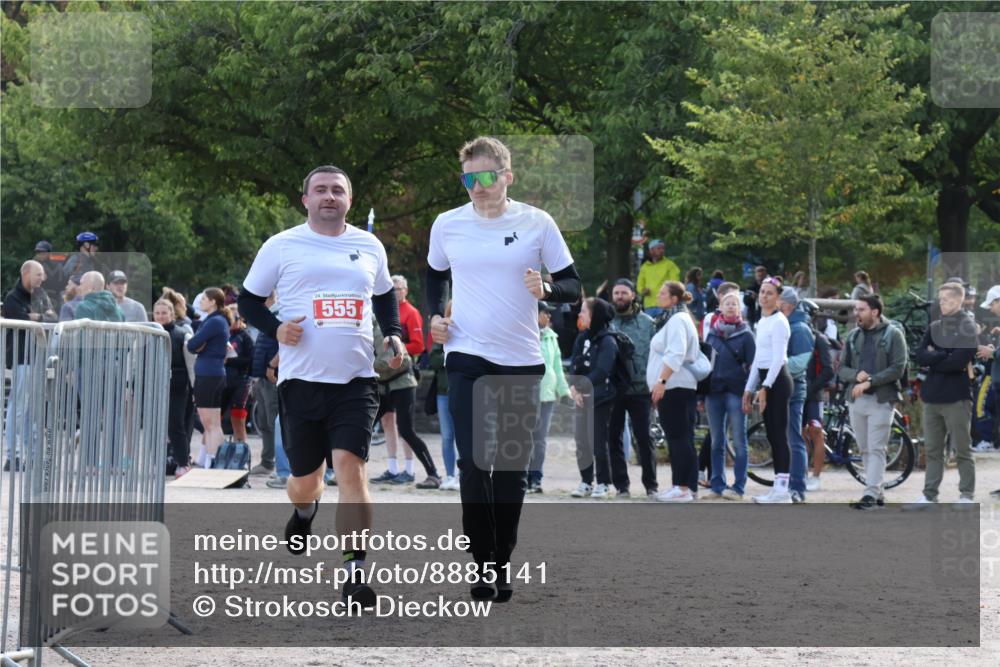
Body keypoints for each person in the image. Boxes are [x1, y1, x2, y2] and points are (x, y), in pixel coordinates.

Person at [239, 164, 404, 608]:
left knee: (351, 468)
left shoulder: (368, 244)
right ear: (305, 199)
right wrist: (275, 330)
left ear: (349, 199)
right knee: (305, 481)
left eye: (337, 190)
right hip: (301, 382)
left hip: (356, 380)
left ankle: (354, 574)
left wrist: (392, 333)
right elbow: (247, 301)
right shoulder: (282, 245)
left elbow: (386, 294)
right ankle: (303, 512)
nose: (329, 196)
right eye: (320, 190)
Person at [426, 136, 579, 602]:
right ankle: (481, 562)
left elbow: (572, 285)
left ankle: (500, 560)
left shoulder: (536, 222)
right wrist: (435, 315)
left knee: (510, 469)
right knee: (473, 463)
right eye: (469, 178)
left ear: (507, 176)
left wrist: (547, 288)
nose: (478, 185)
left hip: (519, 358)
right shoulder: (448, 224)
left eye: (487, 176)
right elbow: (434, 274)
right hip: (466, 353)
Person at [906, 282, 978, 508]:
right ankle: (929, 495)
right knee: (933, 449)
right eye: (940, 299)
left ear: (958, 300)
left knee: (962, 449)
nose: (941, 303)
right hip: (933, 396)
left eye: (945, 299)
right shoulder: (934, 326)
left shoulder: (968, 327)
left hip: (957, 396)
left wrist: (934, 356)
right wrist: (942, 355)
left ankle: (966, 495)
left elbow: (959, 361)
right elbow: (919, 355)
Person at [837, 294, 909, 509]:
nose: (856, 313)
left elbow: (898, 367)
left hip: (882, 399)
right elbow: (841, 369)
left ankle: (869, 494)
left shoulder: (894, 334)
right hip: (856, 399)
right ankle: (877, 494)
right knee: (865, 448)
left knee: (876, 447)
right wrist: (855, 375)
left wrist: (869, 381)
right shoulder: (852, 336)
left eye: (861, 309)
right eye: (856, 309)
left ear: (875, 312)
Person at [370, 319, 442, 489]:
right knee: (363, 426)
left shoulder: (380, 329)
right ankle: (343, 471)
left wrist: (361, 365)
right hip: (383, 386)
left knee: (406, 430)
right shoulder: (366, 329)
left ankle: (433, 474)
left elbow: (392, 362)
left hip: (402, 384)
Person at [371, 274, 427, 482]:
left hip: (403, 371)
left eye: (399, 289)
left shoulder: (411, 313)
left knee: (405, 427)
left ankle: (410, 468)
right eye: (392, 289)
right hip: (386, 374)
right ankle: (392, 467)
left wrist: (397, 351)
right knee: (387, 421)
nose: (395, 292)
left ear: (406, 291)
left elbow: (419, 345)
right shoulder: (382, 311)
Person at [648, 281, 701, 502]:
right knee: (682, 438)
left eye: (662, 293)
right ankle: (687, 486)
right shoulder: (676, 319)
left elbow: (676, 353)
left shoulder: (678, 320)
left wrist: (661, 381)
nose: (658, 296)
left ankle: (682, 487)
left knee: (678, 438)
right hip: (677, 386)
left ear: (674, 299)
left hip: (675, 386)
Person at [742, 276, 793, 503]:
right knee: (772, 434)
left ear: (778, 297)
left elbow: (777, 359)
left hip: (777, 381)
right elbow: (758, 358)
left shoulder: (780, 321)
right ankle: (778, 486)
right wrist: (748, 388)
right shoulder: (761, 321)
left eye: (769, 293)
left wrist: (765, 387)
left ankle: (783, 490)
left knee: (779, 434)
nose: (764, 296)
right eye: (762, 292)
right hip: (765, 379)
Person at [608, 278, 658, 496]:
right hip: (614, 391)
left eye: (623, 293)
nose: (619, 296)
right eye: (616, 293)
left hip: (641, 390)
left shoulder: (648, 323)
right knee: (613, 438)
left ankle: (651, 486)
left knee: (645, 438)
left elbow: (657, 355)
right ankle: (621, 486)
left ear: (633, 295)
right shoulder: (607, 322)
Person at [705, 291, 756, 500]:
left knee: (739, 441)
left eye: (735, 304)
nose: (731, 307)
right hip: (713, 391)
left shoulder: (746, 335)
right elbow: (705, 365)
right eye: (727, 303)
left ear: (740, 308)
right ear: (720, 307)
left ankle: (738, 487)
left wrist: (750, 392)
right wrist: (701, 395)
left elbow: (753, 366)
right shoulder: (712, 334)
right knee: (716, 441)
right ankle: (717, 485)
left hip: (736, 392)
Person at [568, 298, 620, 499]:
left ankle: (604, 483)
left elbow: (602, 371)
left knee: (598, 441)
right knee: (581, 440)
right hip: (581, 397)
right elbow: (574, 364)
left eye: (583, 311)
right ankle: (585, 481)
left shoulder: (608, 340)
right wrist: (574, 387)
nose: (580, 315)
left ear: (595, 315)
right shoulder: (582, 337)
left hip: (600, 397)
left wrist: (580, 386)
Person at [2, 260, 48, 469]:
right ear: (26, 274)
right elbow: (21, 319)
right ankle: (13, 455)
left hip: (37, 358)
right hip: (22, 358)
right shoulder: (12, 297)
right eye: (38, 274)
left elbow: (51, 316)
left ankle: (30, 454)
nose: (42, 278)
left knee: (31, 410)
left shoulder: (41, 296)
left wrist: (35, 317)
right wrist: (37, 318)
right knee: (18, 407)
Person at [527, 300, 569, 494]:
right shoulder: (524, 334)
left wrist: (565, 392)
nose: (549, 316)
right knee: (523, 438)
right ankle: (522, 476)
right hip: (525, 394)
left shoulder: (552, 337)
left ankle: (536, 477)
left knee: (540, 439)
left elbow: (557, 368)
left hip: (547, 395)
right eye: (545, 312)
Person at [777, 288, 815, 503]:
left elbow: (800, 363)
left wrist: (775, 366)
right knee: (786, 439)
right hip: (782, 388)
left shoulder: (799, 329)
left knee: (794, 440)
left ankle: (798, 488)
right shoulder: (785, 323)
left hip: (792, 390)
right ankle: (785, 485)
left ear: (788, 305)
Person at [185, 287, 229, 468]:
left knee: (210, 424)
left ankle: (213, 462)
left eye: (203, 299)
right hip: (213, 373)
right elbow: (196, 345)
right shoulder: (216, 320)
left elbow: (192, 344)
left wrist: (199, 345)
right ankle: (205, 459)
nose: (200, 302)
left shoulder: (215, 322)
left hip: (209, 374)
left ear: (213, 302)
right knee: (211, 422)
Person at [154, 299, 195, 478]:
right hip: (154, 386)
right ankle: (159, 462)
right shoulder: (147, 334)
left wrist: (195, 389)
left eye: (164, 313)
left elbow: (191, 365)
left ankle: (183, 463)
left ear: (172, 314)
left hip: (178, 386)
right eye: (158, 313)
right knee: (156, 426)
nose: (161, 316)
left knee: (176, 425)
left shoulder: (182, 334)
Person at [428, 301, 460, 491]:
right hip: (443, 392)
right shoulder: (442, 331)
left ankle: (464, 474)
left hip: (465, 391)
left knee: (466, 436)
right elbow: (434, 359)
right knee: (447, 436)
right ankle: (449, 475)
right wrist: (451, 358)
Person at [803, 300, 834, 492]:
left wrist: (811, 389)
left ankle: (816, 476)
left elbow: (828, 370)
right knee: (800, 435)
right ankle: (801, 473)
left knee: (816, 434)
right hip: (798, 394)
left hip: (813, 395)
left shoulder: (819, 339)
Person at [249, 292, 280, 475]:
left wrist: (271, 366)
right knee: (265, 422)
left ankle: (284, 467)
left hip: (273, 377)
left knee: (275, 422)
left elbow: (285, 347)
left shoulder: (279, 316)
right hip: (263, 377)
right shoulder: (267, 317)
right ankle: (267, 462)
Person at [221, 304, 254, 444]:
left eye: (235, 318)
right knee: (214, 420)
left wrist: (229, 361)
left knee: (238, 420)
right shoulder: (222, 333)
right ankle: (207, 457)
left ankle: (240, 453)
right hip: (221, 381)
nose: (232, 321)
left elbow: (250, 360)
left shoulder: (245, 337)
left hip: (240, 381)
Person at [636, 239, 680, 318]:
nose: (662, 250)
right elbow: (639, 284)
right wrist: (642, 291)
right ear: (651, 250)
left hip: (665, 304)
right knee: (649, 329)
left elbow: (675, 284)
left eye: (663, 248)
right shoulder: (645, 267)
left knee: (664, 327)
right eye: (659, 248)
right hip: (649, 306)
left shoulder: (670, 265)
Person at [33, 240, 64, 306]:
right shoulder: (33, 264)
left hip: (53, 296)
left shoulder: (56, 265)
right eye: (38, 252)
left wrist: (47, 278)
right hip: (36, 295)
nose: (40, 254)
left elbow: (60, 284)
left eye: (43, 252)